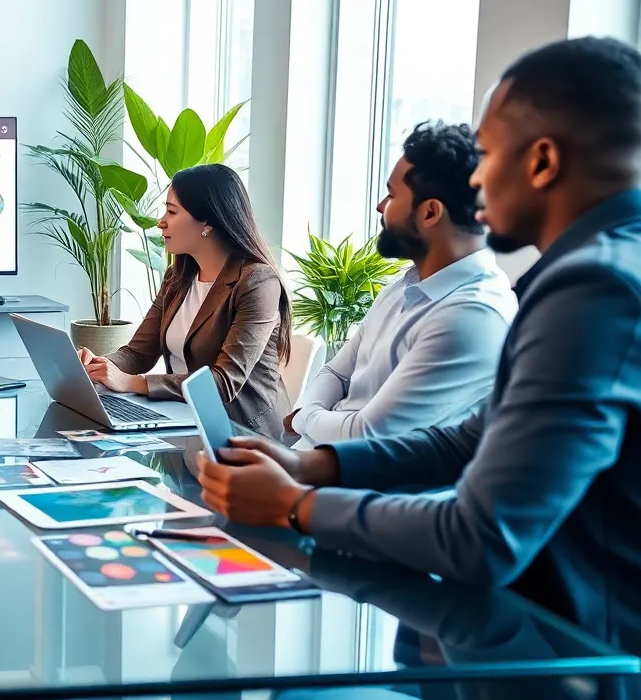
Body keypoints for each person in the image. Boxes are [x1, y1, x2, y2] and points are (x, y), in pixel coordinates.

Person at [197, 37, 641, 652]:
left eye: (488, 155)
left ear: (542, 161)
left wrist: (294, 505)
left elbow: (481, 538)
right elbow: (469, 439)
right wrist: (312, 465)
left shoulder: (595, 289)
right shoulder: (593, 271)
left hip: (568, 655)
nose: (477, 180)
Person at [285, 121, 517, 447]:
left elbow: (367, 435)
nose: (380, 206)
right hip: (309, 459)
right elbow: (335, 372)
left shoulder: (471, 315)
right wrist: (311, 416)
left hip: (348, 474)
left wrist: (304, 417)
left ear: (430, 213)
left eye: (392, 195)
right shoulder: (404, 285)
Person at [79, 164, 292, 438]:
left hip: (243, 434)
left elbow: (223, 384)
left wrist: (133, 383)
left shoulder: (258, 282)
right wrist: (97, 366)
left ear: (207, 223)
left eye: (171, 211)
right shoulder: (177, 278)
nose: (161, 222)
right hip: (185, 421)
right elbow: (138, 354)